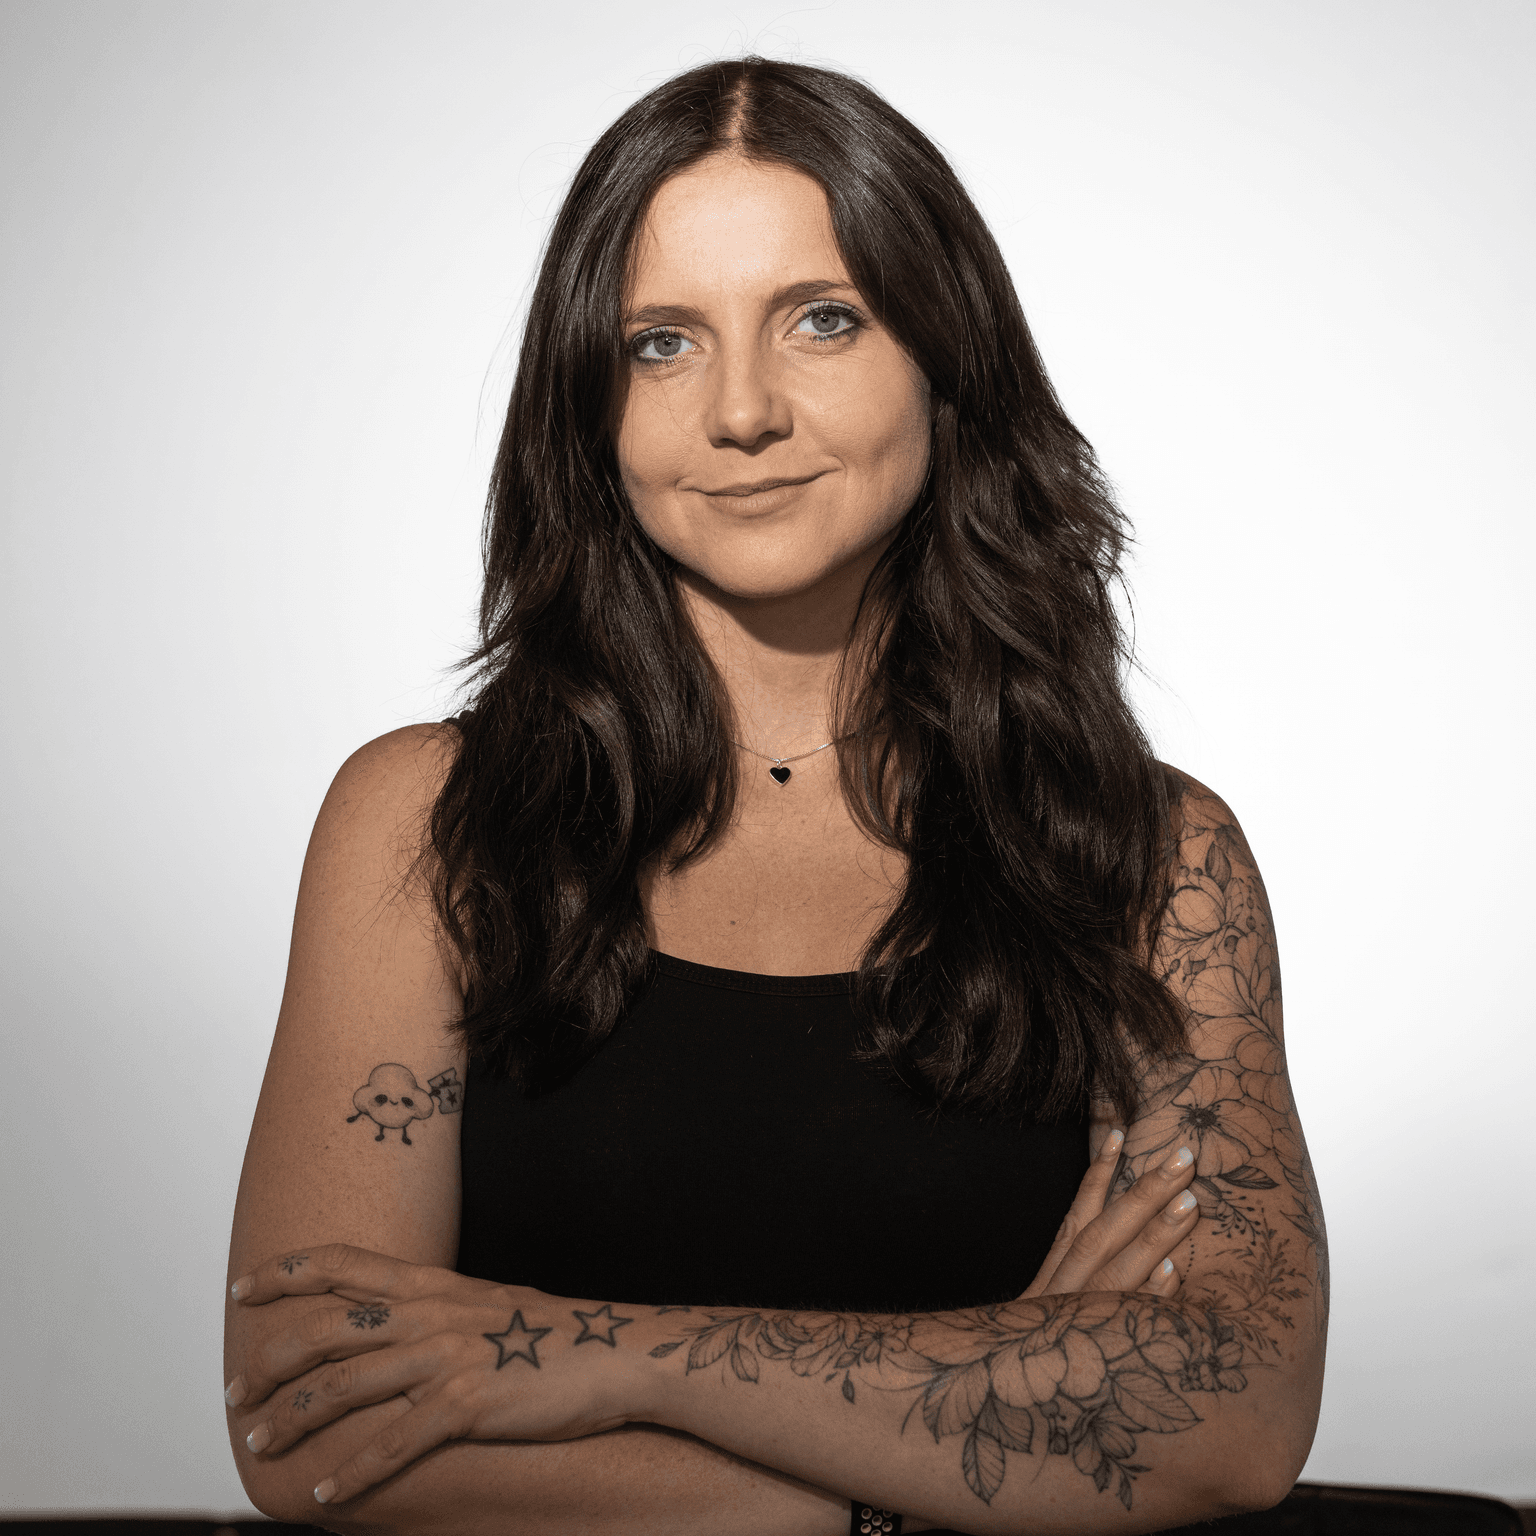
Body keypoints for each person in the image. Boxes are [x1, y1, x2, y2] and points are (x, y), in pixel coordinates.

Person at [223, 57, 1327, 1536]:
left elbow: (1231, 1421)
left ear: (945, 353)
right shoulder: (425, 825)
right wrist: (975, 1440)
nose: (741, 411)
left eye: (822, 319)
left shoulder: (1153, 858)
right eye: (662, 343)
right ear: (588, 403)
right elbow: (315, 1426)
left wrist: (598, 1355)